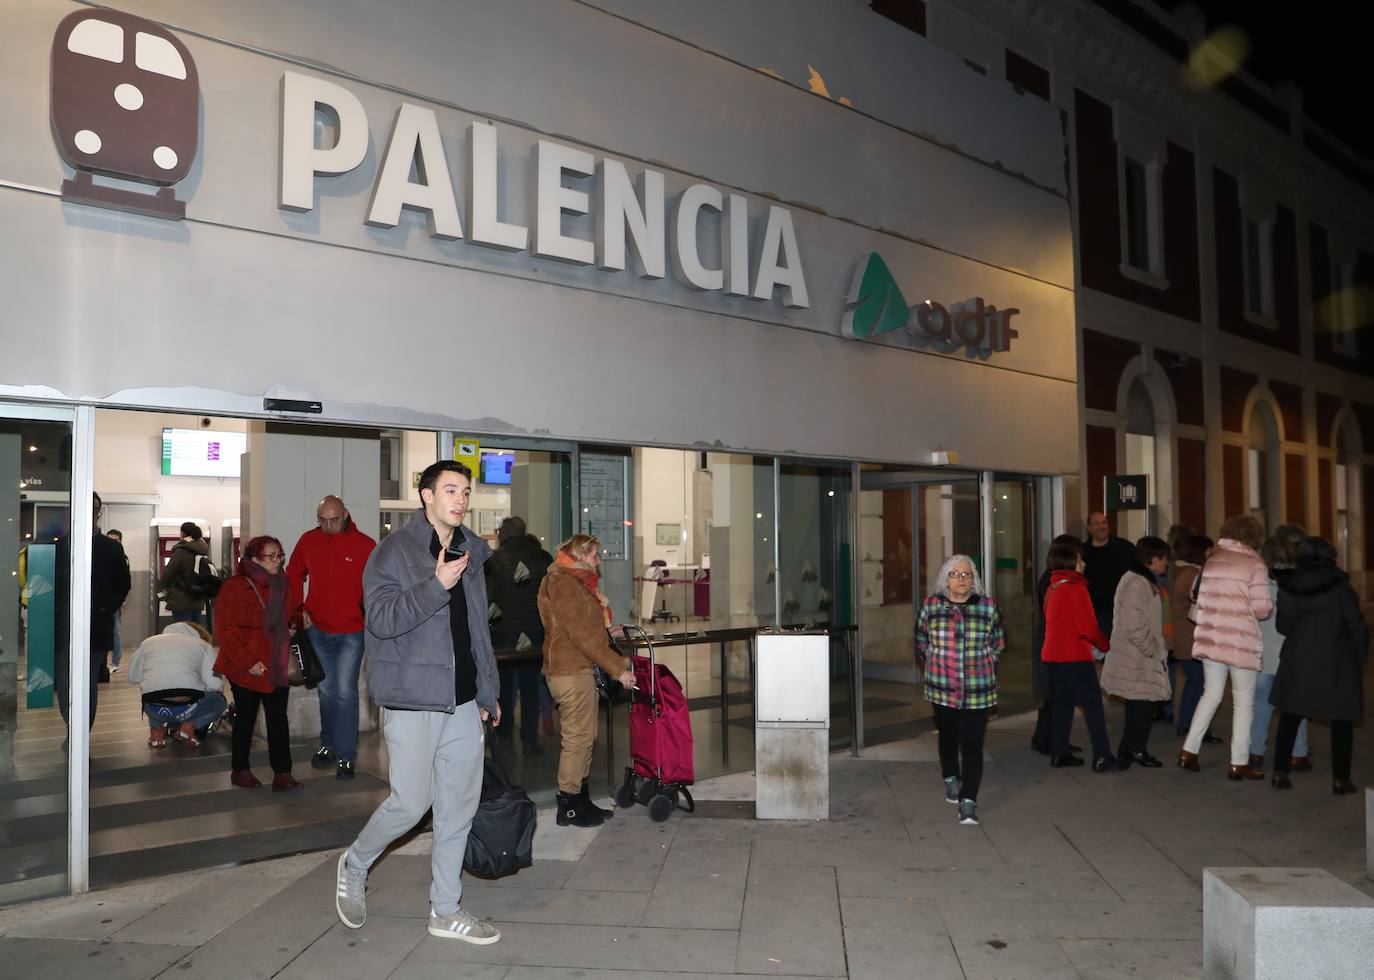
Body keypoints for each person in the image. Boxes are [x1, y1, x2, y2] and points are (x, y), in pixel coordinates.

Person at [334, 460, 502, 945]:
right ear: (426, 495)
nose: (460, 500)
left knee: (459, 809)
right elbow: (381, 620)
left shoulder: (470, 549)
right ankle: (356, 863)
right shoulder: (392, 552)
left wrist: (487, 690)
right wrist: (436, 585)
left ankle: (446, 910)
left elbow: (475, 632)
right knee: (412, 804)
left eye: (466, 492)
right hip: (412, 701)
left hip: (464, 702)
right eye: (450, 490)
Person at [538, 533, 636, 828]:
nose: (599, 560)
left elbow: (580, 628)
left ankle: (579, 799)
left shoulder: (572, 582)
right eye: (595, 555)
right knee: (578, 740)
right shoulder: (566, 584)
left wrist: (606, 633)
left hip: (575, 668)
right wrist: (619, 669)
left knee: (583, 738)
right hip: (570, 671)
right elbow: (580, 635)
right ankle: (569, 805)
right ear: (580, 556)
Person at [1270, 537, 1370, 793]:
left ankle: (1280, 773)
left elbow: (1283, 626)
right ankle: (1341, 779)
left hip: (1299, 659)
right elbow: (1356, 625)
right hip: (1338, 660)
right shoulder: (1342, 587)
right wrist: (1360, 657)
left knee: (1290, 717)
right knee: (1341, 721)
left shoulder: (1288, 586)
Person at [287, 495, 376, 781]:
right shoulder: (308, 541)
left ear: (346, 514)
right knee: (326, 692)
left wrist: (370, 619)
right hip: (319, 631)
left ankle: (346, 755)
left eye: (334, 520)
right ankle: (328, 745)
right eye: (323, 521)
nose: (328, 526)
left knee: (345, 692)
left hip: (352, 631)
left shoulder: (365, 546)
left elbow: (378, 586)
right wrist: (298, 611)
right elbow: (293, 575)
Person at [915, 554, 1006, 826]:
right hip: (942, 687)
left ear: (974, 579)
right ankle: (951, 777)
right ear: (946, 579)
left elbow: (998, 643)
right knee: (948, 736)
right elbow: (920, 638)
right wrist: (933, 659)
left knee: (973, 743)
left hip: (978, 688)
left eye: (967, 574)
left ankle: (968, 800)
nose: (962, 579)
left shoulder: (988, 608)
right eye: (956, 574)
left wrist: (985, 662)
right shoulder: (931, 607)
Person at [1178, 515, 1271, 779]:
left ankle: (1188, 751)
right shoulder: (1255, 564)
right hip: (1240, 642)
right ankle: (1239, 762)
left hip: (1211, 637)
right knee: (1243, 702)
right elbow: (1262, 610)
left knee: (1211, 694)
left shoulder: (1212, 560)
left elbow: (1195, 594)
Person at [213, 535, 302, 791]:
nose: (277, 561)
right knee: (245, 718)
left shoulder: (283, 583)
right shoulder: (235, 586)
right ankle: (240, 770)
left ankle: (283, 773)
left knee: (278, 718)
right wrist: (248, 661)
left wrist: (294, 623)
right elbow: (225, 630)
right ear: (253, 559)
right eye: (270, 556)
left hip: (276, 659)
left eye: (279, 555)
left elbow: (294, 610)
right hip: (246, 663)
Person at [54, 492, 132, 730]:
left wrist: (104, 608)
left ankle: (81, 735)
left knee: (87, 684)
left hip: (95, 629)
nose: (90, 512)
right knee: (64, 682)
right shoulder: (60, 547)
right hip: (63, 629)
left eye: (94, 507)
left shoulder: (111, 548)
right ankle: (72, 729)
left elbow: (123, 584)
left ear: (98, 512)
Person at [1040, 544, 1119, 772]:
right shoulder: (1075, 588)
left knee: (1063, 704)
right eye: (1079, 560)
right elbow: (1088, 627)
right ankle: (1103, 757)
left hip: (1054, 655)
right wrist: (1105, 644)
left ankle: (1060, 752)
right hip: (1074, 655)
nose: (1083, 564)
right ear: (1069, 563)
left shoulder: (1053, 587)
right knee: (1093, 705)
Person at [1101, 537, 1171, 768]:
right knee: (1142, 707)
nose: (1166, 563)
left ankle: (1131, 750)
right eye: (1164, 559)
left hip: (1138, 657)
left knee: (1139, 706)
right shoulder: (1137, 583)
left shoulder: (1142, 580)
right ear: (1153, 560)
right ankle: (1134, 750)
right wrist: (1154, 651)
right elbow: (1134, 626)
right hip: (1137, 658)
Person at [485, 516, 553, 754]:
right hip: (534, 633)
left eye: (500, 530)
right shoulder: (542, 558)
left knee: (503, 687)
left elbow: (487, 598)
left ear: (506, 532)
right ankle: (530, 740)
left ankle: (504, 735)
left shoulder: (494, 560)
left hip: (503, 634)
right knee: (530, 688)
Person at [1249, 526, 1309, 771]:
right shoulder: (1301, 585)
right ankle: (1298, 754)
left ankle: (1255, 752)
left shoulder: (1255, 584)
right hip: (1292, 655)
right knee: (1297, 707)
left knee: (1261, 705)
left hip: (1262, 655)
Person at [128, 621, 226, 748]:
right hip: (187, 708)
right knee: (219, 702)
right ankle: (189, 726)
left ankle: (156, 732)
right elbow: (215, 684)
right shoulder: (203, 645)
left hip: (153, 708)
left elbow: (133, 677)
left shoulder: (148, 643)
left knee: (153, 691)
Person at [1030, 534, 1085, 756]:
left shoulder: (1054, 579)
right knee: (1053, 694)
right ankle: (1047, 740)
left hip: (1052, 641)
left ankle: (1051, 738)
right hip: (1052, 643)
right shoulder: (1054, 581)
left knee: (1054, 694)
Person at [1171, 535, 1219, 742]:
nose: (1212, 554)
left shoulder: (1183, 571)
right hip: (1192, 638)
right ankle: (1195, 727)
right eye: (1209, 550)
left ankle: (1186, 724)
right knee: (1200, 685)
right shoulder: (1192, 574)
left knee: (1194, 683)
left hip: (1186, 637)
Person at [1080, 511, 1135, 647]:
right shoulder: (1082, 552)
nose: (1101, 527)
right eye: (1096, 524)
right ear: (1089, 529)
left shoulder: (1124, 548)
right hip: (1095, 611)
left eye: (1104, 523)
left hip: (1123, 608)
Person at [161, 521, 212, 624]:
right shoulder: (203, 549)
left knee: (183, 632)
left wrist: (162, 589)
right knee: (195, 631)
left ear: (183, 533)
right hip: (197, 597)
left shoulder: (181, 550)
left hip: (181, 599)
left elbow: (168, 573)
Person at [106, 529, 127, 674]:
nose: (112, 543)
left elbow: (124, 581)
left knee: (116, 632)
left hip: (114, 602)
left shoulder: (122, 558)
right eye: (110, 540)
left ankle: (116, 662)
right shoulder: (101, 555)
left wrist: (120, 599)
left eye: (115, 540)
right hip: (102, 601)